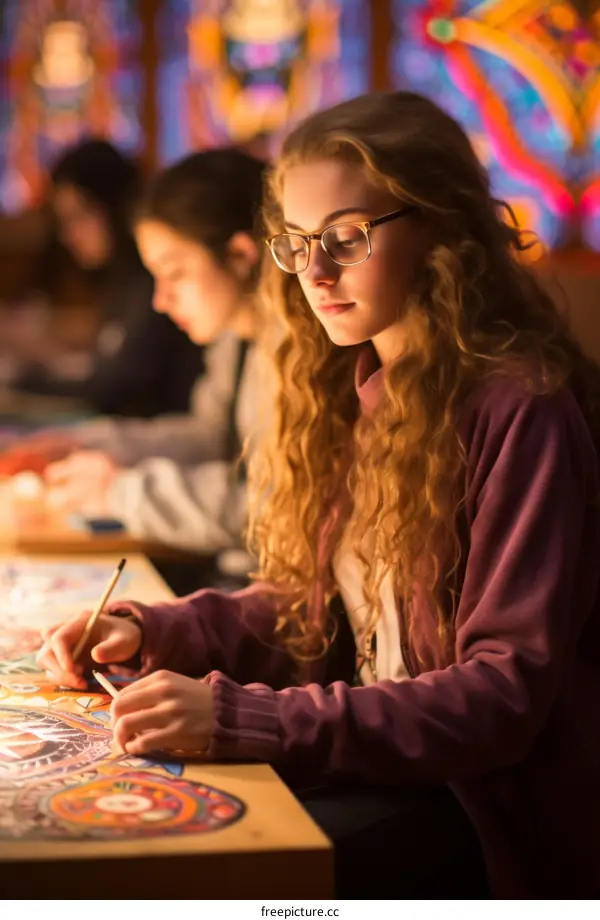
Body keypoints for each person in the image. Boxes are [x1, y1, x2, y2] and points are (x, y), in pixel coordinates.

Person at [38, 92, 600, 898]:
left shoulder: (522, 409)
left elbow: (501, 697)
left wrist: (245, 718)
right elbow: (317, 612)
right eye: (296, 244)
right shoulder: (351, 384)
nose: (315, 273)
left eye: (345, 238)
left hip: (493, 816)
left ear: (442, 229)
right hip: (390, 762)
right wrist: (159, 630)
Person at [7, 149, 267, 582]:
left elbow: (277, 509)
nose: (160, 301)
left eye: (175, 273)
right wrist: (85, 444)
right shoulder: (233, 339)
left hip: (261, 595)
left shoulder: (299, 354)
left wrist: (120, 491)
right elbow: (211, 437)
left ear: (241, 256)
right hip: (235, 583)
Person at [10, 138, 204, 418]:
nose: (69, 235)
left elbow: (116, 385)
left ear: (114, 205)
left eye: (79, 215)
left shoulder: (150, 279)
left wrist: (21, 381)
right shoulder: (122, 278)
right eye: (63, 220)